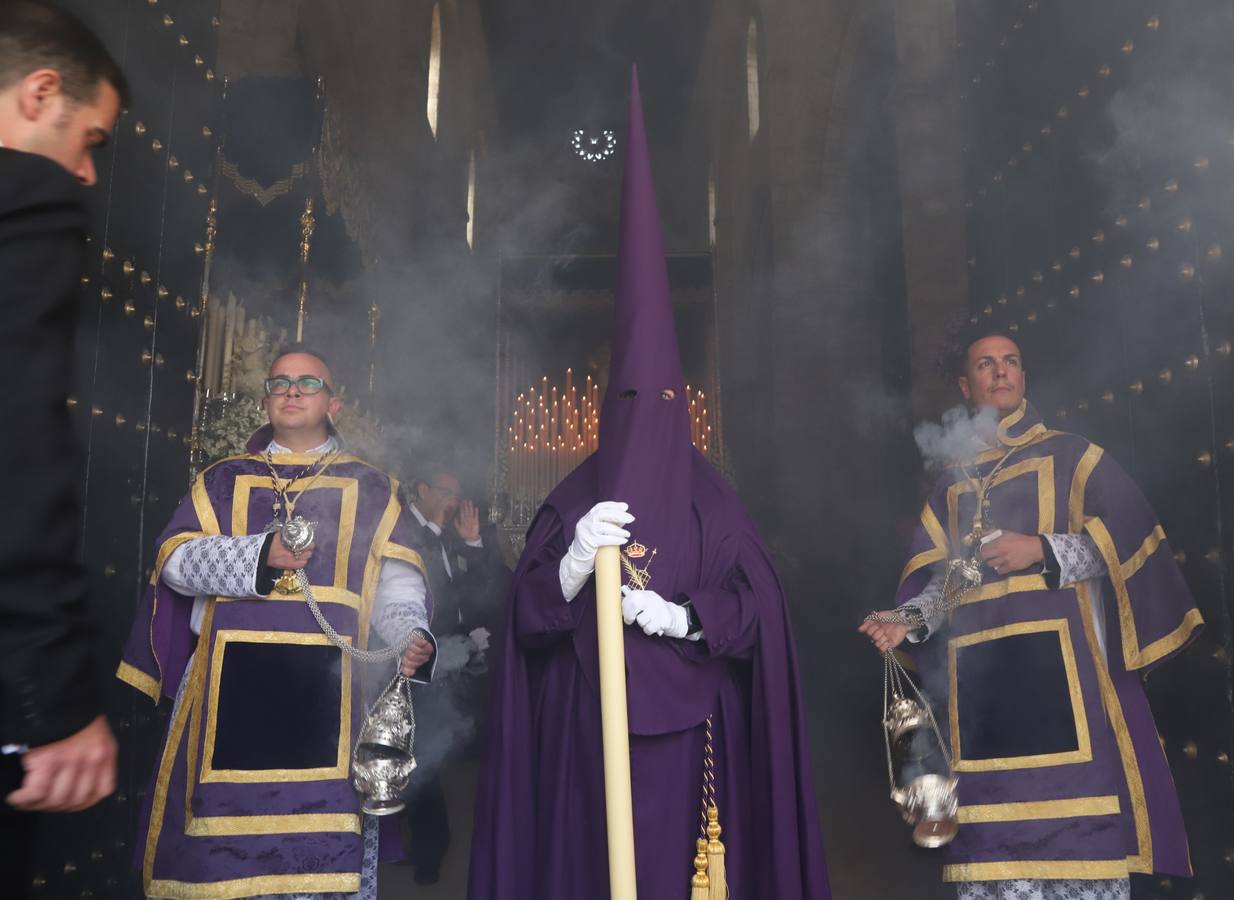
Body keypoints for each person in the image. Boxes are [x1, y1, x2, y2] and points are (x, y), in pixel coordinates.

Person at [468, 69, 831, 900]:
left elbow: (764, 609)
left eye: (661, 400)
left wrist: (685, 617)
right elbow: (522, 615)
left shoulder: (716, 502)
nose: (646, 416)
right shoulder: (569, 498)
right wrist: (565, 570)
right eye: (628, 401)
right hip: (582, 736)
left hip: (698, 743)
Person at [860, 322, 1202, 900]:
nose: (1001, 371)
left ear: (1024, 375)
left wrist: (1039, 549)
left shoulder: (1075, 456)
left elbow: (1127, 545)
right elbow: (948, 583)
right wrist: (908, 620)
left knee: (1081, 845)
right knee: (990, 853)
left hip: (1065, 689)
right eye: (986, 364)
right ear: (966, 387)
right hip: (983, 701)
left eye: (1011, 361)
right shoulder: (951, 482)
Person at [117, 346, 437, 900]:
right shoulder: (222, 480)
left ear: (333, 402)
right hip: (224, 697)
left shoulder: (372, 487)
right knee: (216, 859)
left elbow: (396, 584)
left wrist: (410, 633)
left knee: (320, 855)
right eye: (280, 382)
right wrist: (256, 557)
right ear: (266, 399)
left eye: (308, 382)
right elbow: (173, 562)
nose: (292, 390)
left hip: (328, 700)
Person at [0, 2, 127, 894]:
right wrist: (55, 702)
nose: (84, 173)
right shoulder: (24, 202)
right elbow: (13, 439)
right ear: (39, 92)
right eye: (89, 139)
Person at [401, 468, 503, 884]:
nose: (452, 502)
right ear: (422, 489)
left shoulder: (449, 534)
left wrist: (474, 541)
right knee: (419, 750)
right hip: (416, 656)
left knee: (443, 743)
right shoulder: (402, 530)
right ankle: (430, 851)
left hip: (456, 655)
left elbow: (487, 586)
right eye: (446, 492)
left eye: (456, 494)